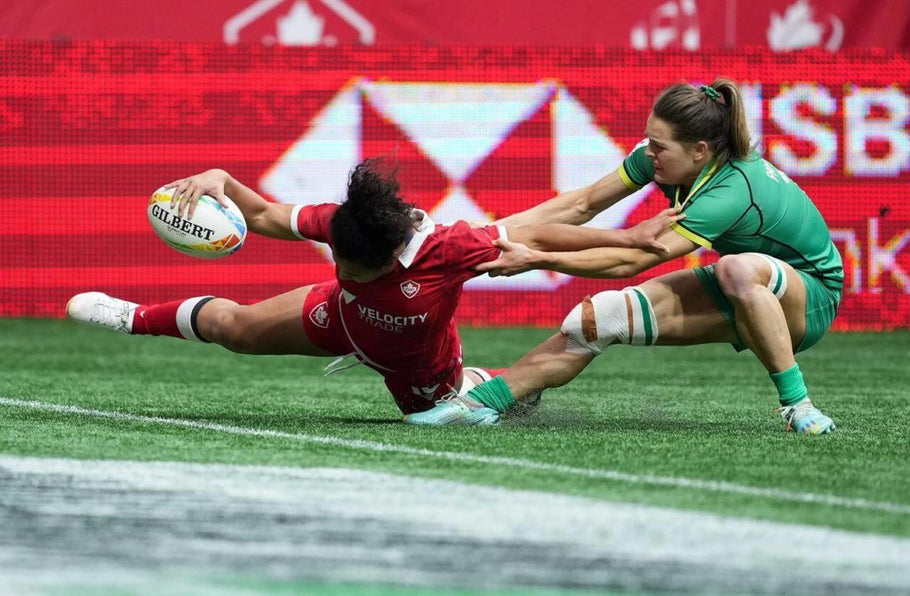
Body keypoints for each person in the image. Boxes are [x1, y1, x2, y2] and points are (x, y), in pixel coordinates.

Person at [66, 158, 679, 422]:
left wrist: (631, 239)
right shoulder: (340, 222)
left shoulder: (448, 248)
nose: (339, 261)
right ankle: (131, 315)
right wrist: (217, 179)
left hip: (419, 359)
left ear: (389, 257)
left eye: (351, 264)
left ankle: (493, 385)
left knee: (436, 415)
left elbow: (544, 232)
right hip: (341, 318)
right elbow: (260, 215)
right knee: (236, 330)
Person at [405, 79, 843, 435]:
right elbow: (583, 204)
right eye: (649, 140)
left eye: (659, 146)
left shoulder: (729, 190)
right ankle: (484, 404)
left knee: (735, 266)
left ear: (699, 152)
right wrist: (486, 237)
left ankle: (799, 407)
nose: (647, 152)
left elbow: (630, 262)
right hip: (746, 289)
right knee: (598, 319)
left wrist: (535, 257)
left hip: (810, 297)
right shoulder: (663, 160)